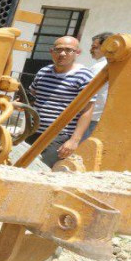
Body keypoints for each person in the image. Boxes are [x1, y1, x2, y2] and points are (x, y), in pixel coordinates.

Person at [28, 36, 95, 168]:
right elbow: (33, 96)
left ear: (77, 53)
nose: (62, 54)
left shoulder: (84, 76)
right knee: (23, 167)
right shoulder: (43, 72)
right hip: (34, 131)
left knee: (41, 169)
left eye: (68, 50)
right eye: (58, 50)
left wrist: (74, 141)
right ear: (52, 51)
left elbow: (87, 110)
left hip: (59, 136)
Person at [83, 31, 114, 139]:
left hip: (92, 117)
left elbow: (86, 93)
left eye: (94, 47)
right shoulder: (112, 65)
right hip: (100, 116)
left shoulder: (99, 67)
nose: (91, 50)